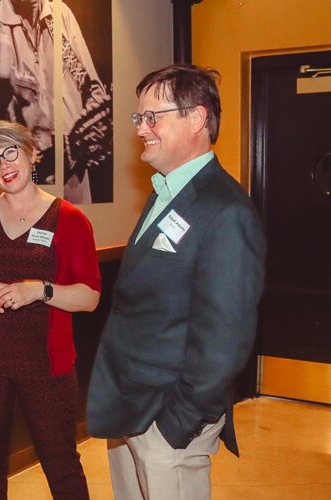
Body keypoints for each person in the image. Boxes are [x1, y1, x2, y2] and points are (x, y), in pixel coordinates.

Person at [86, 64, 267, 499]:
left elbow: (225, 338)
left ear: (197, 118)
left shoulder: (226, 212)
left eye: (154, 117)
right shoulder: (167, 193)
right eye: (139, 118)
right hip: (132, 407)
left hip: (167, 421)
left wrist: (175, 425)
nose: (142, 129)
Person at [0, 120, 101, 499]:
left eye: (10, 152)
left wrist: (39, 291)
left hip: (45, 362)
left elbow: (90, 296)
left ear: (33, 153)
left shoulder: (69, 219)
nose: (3, 165)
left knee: (61, 463)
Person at [0, 0, 112, 203]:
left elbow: (94, 89)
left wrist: (77, 147)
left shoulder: (59, 13)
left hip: (74, 178)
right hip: (21, 184)